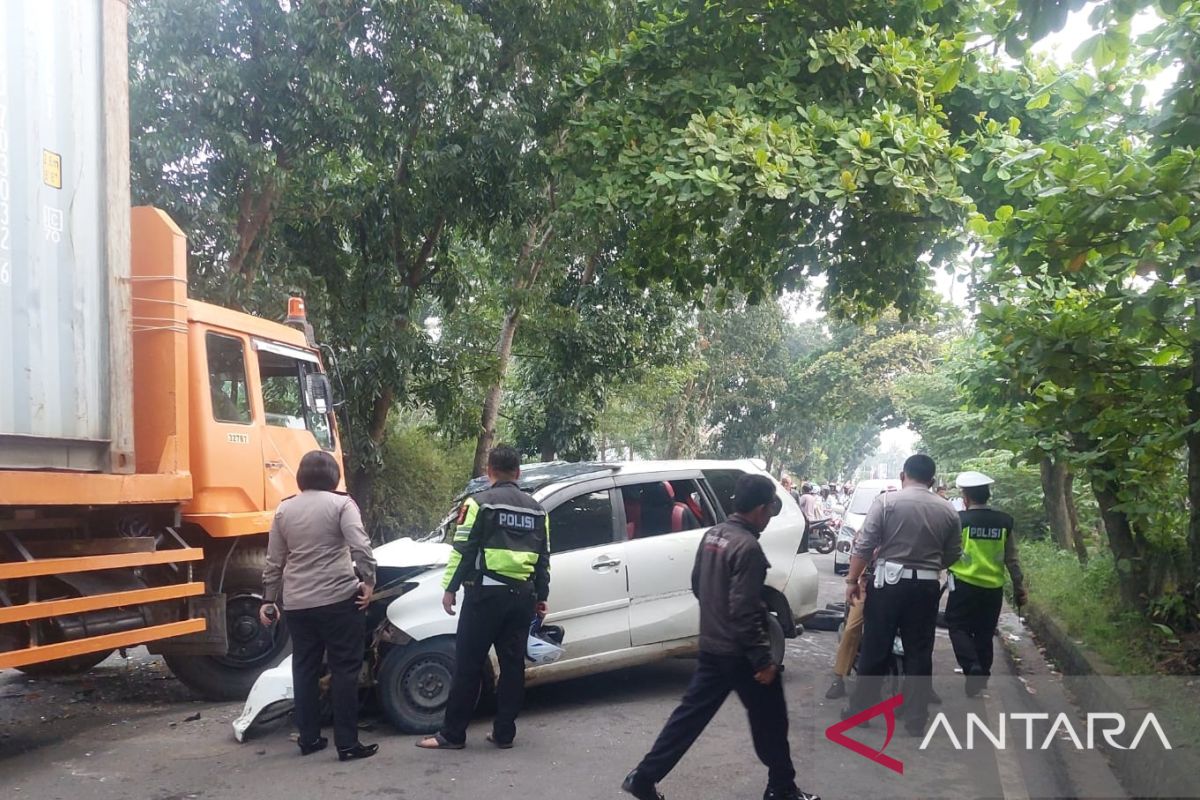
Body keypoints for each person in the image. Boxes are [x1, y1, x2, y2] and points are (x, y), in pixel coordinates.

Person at [622, 475, 819, 800]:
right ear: (760, 509)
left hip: (713, 645)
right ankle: (781, 787)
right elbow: (744, 610)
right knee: (771, 719)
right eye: (770, 508)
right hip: (741, 653)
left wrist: (716, 620)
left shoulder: (714, 535)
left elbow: (699, 584)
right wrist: (762, 660)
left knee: (688, 718)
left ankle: (643, 777)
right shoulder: (748, 548)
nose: (770, 515)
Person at [417, 445, 550, 750]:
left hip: (485, 596)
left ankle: (452, 735)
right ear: (518, 472)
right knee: (513, 666)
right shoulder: (536, 510)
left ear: (489, 471)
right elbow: (544, 558)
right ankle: (504, 734)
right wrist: (541, 597)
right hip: (522, 597)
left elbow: (463, 549)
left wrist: (449, 588)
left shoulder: (479, 503)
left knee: (468, 664)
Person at [259, 450, 377, 761]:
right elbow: (360, 545)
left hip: (298, 605)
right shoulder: (341, 504)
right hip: (339, 600)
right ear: (333, 477)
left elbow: (274, 561)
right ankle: (348, 744)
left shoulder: (284, 510)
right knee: (345, 670)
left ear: (301, 477)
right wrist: (369, 581)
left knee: (305, 669)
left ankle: (309, 739)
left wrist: (269, 600)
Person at [841, 455, 961, 736]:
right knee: (919, 651)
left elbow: (865, 544)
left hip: (888, 586)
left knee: (875, 647)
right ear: (932, 480)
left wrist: (852, 580)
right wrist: (929, 566)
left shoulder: (886, 502)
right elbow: (954, 553)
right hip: (926, 588)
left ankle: (861, 711)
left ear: (902, 475)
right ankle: (916, 717)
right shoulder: (947, 510)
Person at [946, 471, 1027, 696]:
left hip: (963, 585)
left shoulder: (960, 520)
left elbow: (950, 551)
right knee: (984, 632)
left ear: (966, 497)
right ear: (987, 495)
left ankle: (971, 665)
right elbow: (1012, 558)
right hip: (992, 588)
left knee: (957, 627)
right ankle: (981, 676)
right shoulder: (1004, 521)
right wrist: (1019, 587)